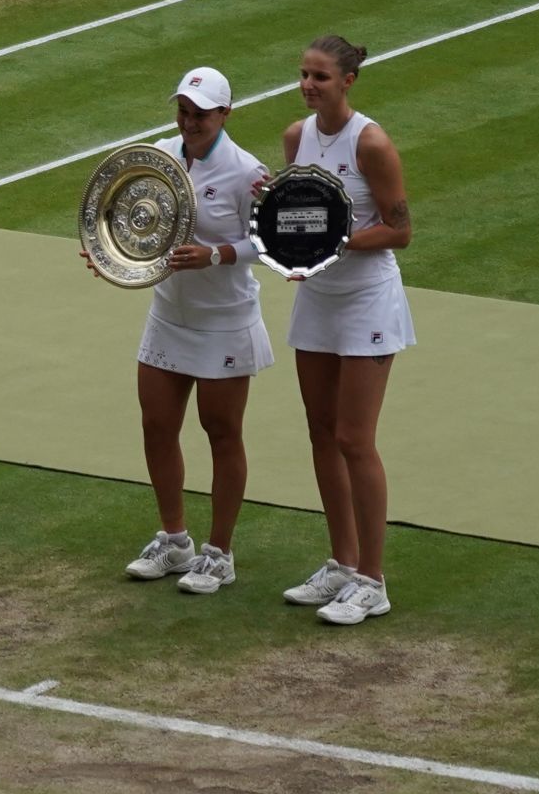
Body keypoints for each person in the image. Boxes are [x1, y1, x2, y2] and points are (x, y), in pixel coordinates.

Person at [82, 67, 272, 595]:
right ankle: (174, 540)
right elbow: (128, 215)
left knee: (221, 432)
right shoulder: (160, 157)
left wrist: (216, 254)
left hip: (225, 321)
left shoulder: (247, 173)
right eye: (184, 112)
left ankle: (220, 554)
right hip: (169, 314)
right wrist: (112, 253)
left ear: (224, 115)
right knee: (156, 425)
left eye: (201, 114)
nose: (189, 122)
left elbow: (270, 241)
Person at [276, 36, 415, 625]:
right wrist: (277, 220)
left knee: (355, 439)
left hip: (367, 303)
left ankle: (372, 581)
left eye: (321, 78)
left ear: (348, 81)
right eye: (304, 75)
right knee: (321, 431)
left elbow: (400, 230)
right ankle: (341, 561)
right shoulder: (295, 137)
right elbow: (295, 214)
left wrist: (335, 242)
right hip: (317, 299)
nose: (309, 86)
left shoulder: (372, 143)